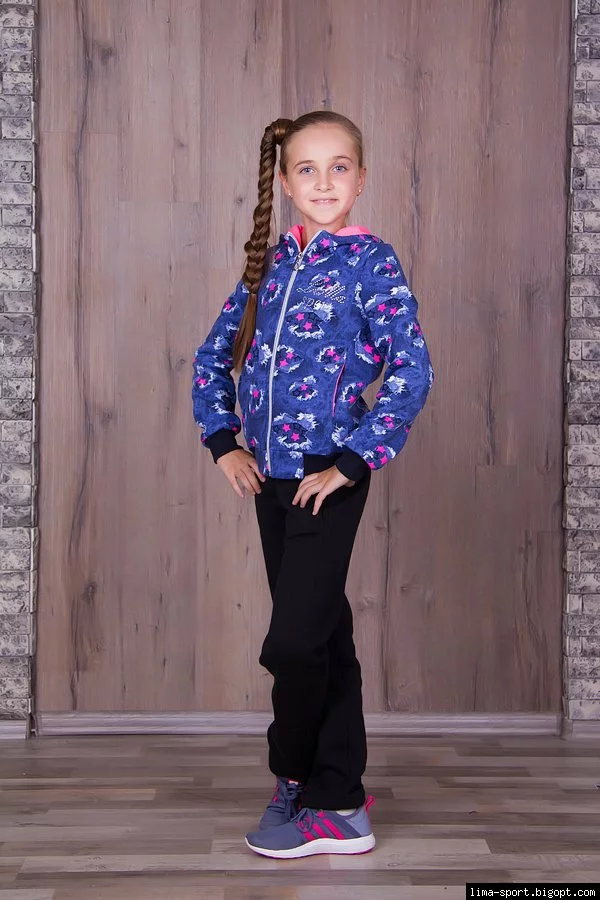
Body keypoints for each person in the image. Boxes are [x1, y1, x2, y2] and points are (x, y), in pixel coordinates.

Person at [192, 110, 434, 859]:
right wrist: (223, 443)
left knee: (294, 642)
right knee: (323, 634)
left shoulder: (371, 262)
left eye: (339, 168)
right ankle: (336, 799)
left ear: (360, 180)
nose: (324, 182)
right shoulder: (268, 265)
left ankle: (302, 776)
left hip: (327, 478)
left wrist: (353, 463)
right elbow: (212, 358)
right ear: (286, 183)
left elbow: (412, 370)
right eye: (307, 169)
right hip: (271, 478)